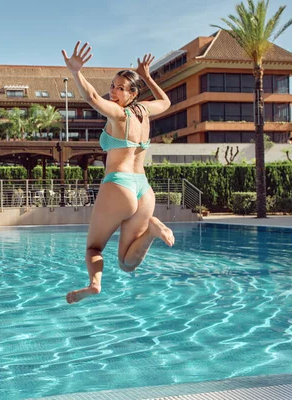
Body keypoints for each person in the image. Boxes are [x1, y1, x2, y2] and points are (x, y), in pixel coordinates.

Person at [62, 41, 175, 304]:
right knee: (127, 264)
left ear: (132, 94)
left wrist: (76, 72)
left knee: (93, 248)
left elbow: (91, 98)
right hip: (144, 191)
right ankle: (152, 230)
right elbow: (166, 102)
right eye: (112, 86)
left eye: (120, 89)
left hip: (119, 185)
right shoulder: (145, 112)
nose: (113, 92)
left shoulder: (119, 115)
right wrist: (147, 77)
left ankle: (94, 284)